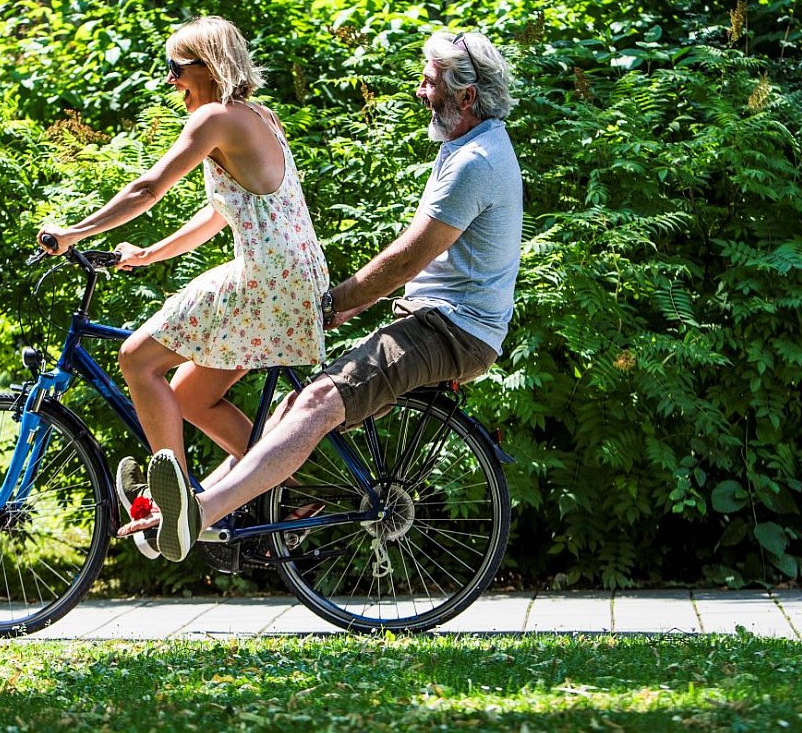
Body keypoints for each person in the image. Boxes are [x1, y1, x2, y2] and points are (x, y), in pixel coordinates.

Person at [129, 30, 522, 563]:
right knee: (292, 408)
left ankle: (198, 514)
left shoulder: (476, 161)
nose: (419, 92)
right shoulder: (469, 147)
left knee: (315, 403)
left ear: (466, 96)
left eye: (429, 83)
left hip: (454, 330)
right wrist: (358, 301)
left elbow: (412, 255)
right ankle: (203, 507)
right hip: (436, 320)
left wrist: (338, 299)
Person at [38, 16, 329, 556]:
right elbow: (221, 212)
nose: (171, 81)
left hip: (264, 277)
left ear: (209, 66)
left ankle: (171, 507)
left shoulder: (215, 119)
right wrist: (151, 253)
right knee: (191, 399)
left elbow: (148, 187)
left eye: (177, 68)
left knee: (136, 359)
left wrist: (72, 231)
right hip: (294, 278)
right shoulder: (258, 117)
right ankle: (290, 498)